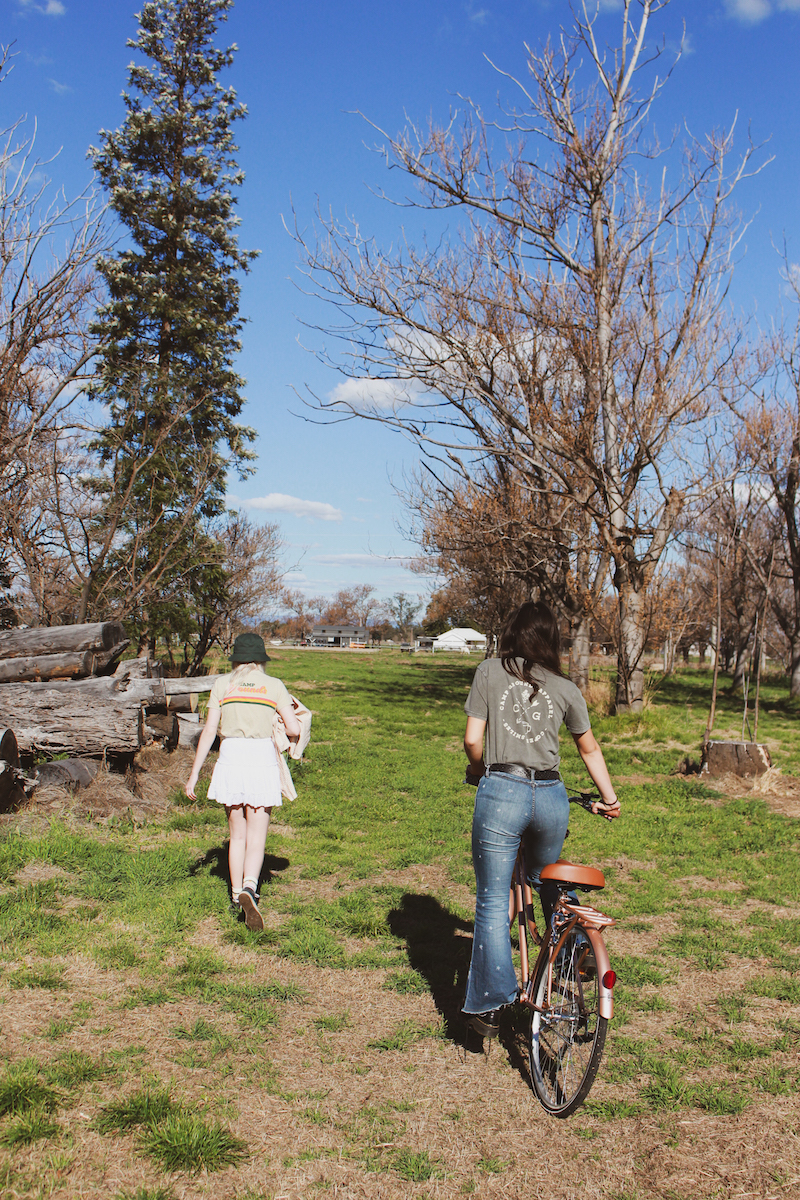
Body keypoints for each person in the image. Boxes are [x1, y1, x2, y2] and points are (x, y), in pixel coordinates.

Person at [461, 600, 620, 1038]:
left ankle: (491, 1004)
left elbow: (473, 740)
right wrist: (609, 798)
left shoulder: (490, 672)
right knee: (545, 880)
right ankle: (571, 946)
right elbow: (589, 748)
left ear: (512, 631)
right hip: (551, 796)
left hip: (503, 792)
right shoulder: (565, 687)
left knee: (494, 899)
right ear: (552, 640)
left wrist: (478, 771)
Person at [185, 632, 301, 931]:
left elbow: (209, 730)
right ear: (261, 659)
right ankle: (251, 886)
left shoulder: (223, 684)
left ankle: (236, 896)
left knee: (236, 835)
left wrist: (195, 773)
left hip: (231, 755)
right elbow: (292, 728)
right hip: (261, 757)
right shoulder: (274, 686)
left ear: (235, 658)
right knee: (257, 835)